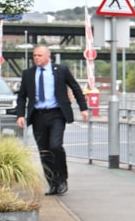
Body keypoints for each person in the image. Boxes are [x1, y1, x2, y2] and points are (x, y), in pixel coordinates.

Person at [14, 45, 89, 195]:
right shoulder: (28, 74)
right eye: (35, 55)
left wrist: (83, 108)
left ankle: (62, 179)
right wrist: (20, 114)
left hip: (56, 114)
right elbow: (21, 96)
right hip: (38, 116)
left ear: (48, 56)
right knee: (44, 151)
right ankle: (52, 184)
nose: (36, 58)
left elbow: (75, 88)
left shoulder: (60, 70)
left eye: (40, 55)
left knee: (55, 146)